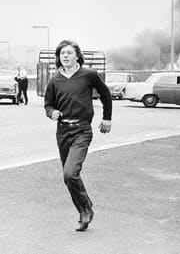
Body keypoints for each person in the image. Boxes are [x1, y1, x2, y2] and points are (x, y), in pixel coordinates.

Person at [44, 40, 112, 232]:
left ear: (77, 56)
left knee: (69, 173)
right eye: (61, 53)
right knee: (69, 177)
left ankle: (84, 211)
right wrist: (52, 113)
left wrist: (107, 118)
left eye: (68, 53)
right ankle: (85, 208)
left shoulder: (89, 75)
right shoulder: (55, 80)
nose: (64, 56)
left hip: (82, 130)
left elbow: (106, 95)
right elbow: (48, 104)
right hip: (63, 131)